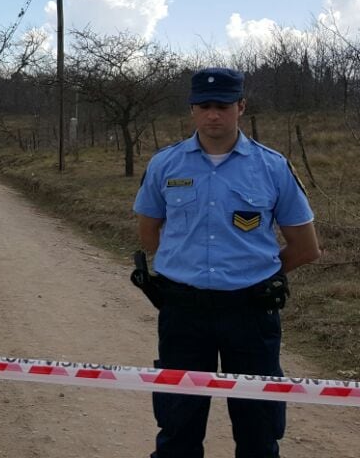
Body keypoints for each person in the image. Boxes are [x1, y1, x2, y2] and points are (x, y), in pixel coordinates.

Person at [133, 67, 322, 458]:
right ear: (192, 110)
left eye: (223, 106)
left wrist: (255, 276)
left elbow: (305, 247)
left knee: (258, 428)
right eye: (204, 106)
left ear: (241, 106)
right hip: (183, 310)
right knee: (178, 423)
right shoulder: (165, 165)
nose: (213, 115)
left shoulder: (272, 167)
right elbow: (150, 234)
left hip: (250, 311)